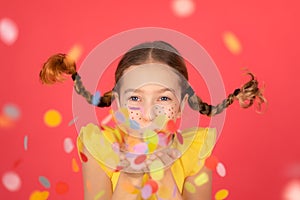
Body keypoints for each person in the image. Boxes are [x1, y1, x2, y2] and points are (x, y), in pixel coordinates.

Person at [39, 41, 266, 200]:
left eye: (164, 98)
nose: (148, 113)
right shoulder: (98, 147)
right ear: (117, 103)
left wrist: (164, 174)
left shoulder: (195, 151)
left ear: (179, 107)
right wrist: (131, 178)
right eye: (135, 97)